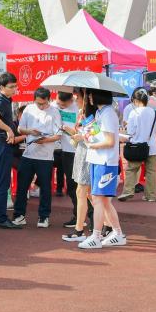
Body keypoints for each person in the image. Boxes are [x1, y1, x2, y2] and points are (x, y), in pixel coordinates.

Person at [77, 89, 126, 249]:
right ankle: (117, 233)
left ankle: (96, 236)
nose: (89, 98)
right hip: (98, 160)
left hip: (105, 162)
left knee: (98, 199)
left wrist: (92, 145)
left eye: (91, 95)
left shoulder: (108, 114)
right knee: (102, 200)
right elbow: (101, 137)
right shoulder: (100, 112)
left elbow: (110, 141)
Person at [12, 88, 61, 228]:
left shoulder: (54, 112)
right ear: (34, 100)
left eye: (44, 103)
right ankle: (19, 215)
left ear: (49, 100)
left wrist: (45, 140)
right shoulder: (28, 109)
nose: (41, 106)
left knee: (45, 188)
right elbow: (20, 129)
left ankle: (44, 217)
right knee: (22, 186)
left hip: (46, 157)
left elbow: (58, 135)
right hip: (28, 154)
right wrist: (31, 132)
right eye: (38, 103)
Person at [61, 89, 95, 242]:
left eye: (78, 97)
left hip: (87, 154)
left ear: (85, 98)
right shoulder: (82, 113)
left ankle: (81, 229)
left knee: (86, 193)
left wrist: (80, 136)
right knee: (86, 193)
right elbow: (83, 134)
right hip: (81, 153)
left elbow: (94, 135)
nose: (75, 100)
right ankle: (105, 226)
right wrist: (73, 132)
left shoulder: (90, 115)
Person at [117, 89, 156, 203]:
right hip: (151, 147)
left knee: (131, 169)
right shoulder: (154, 112)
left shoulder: (134, 113)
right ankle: (151, 196)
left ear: (136, 101)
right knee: (151, 171)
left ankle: (128, 191)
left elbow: (130, 131)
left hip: (137, 147)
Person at [0, 73, 20, 230]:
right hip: (2, 145)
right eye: (11, 87)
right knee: (2, 183)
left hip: (1, 145)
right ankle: (1, 218)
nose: (14, 89)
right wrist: (9, 129)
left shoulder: (6, 100)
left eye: (15, 86)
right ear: (2, 87)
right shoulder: (1, 101)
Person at [54, 92, 80, 227]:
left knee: (79, 188)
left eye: (63, 105)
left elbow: (84, 133)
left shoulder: (79, 109)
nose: (60, 106)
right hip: (65, 151)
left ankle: (87, 216)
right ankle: (78, 216)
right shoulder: (54, 106)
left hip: (78, 152)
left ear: (71, 100)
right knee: (71, 187)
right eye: (58, 103)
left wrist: (67, 129)